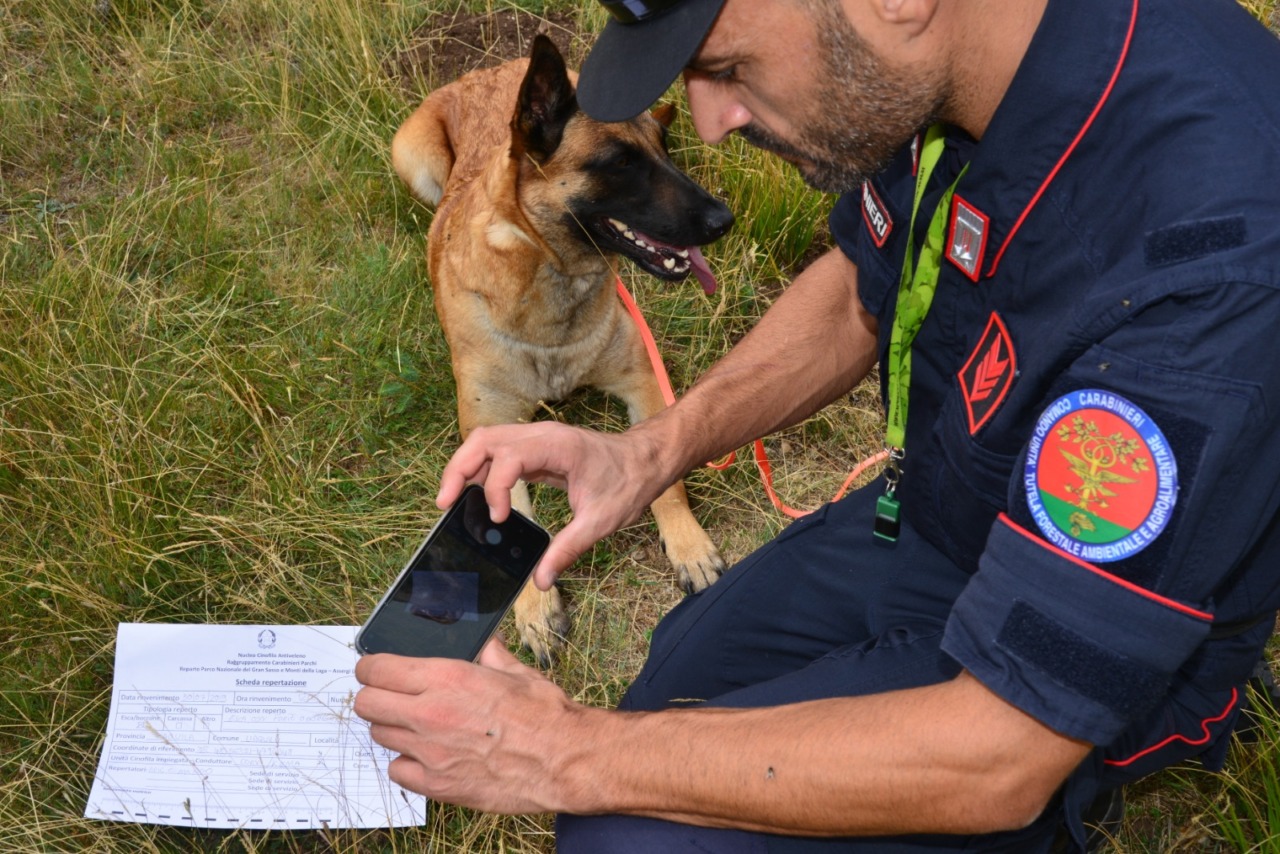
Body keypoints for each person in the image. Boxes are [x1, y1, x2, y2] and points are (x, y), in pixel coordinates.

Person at [354, 0, 1280, 850]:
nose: (712, 122)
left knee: (622, 832)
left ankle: (1097, 791)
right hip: (940, 505)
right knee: (676, 676)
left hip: (1053, 641)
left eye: (728, 69)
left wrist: (563, 751)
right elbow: (856, 294)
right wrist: (648, 453)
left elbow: (1000, 753)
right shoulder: (960, 65)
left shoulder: (1212, 261)